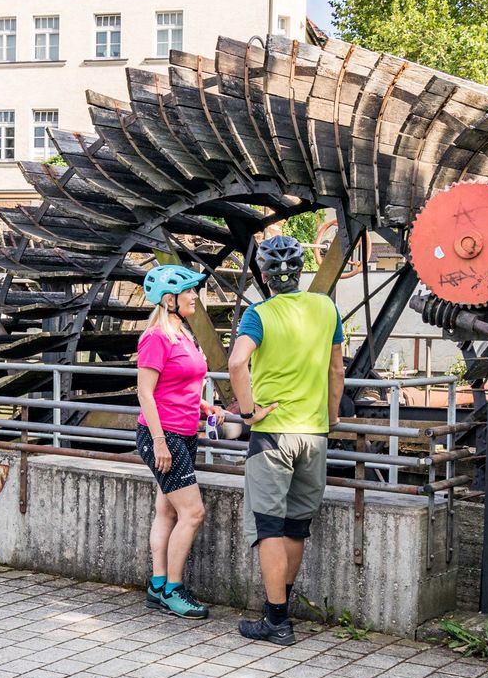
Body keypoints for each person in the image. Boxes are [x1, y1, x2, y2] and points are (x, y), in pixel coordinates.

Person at [227, 234, 344, 644]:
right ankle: (281, 608)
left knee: (268, 526)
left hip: (273, 435)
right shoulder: (326, 307)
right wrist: (330, 417)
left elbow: (237, 362)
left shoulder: (259, 314)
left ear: (264, 275)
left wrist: (246, 412)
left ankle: (276, 621)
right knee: (296, 526)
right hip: (314, 434)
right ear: (300, 272)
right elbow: (336, 372)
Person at [133, 264, 223, 619]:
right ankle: (173, 588)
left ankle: (157, 584)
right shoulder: (156, 337)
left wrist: (204, 406)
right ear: (169, 300)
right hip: (163, 435)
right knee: (193, 512)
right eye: (190, 292)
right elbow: (145, 392)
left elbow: (179, 384)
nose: (195, 297)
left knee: (167, 509)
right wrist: (158, 442)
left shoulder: (182, 333)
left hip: (184, 431)